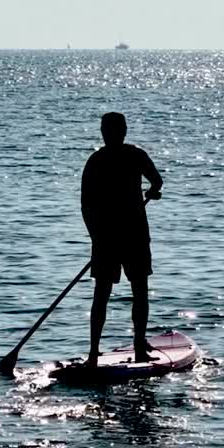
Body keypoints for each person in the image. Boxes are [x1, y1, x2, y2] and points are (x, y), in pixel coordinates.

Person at [81, 112, 163, 367]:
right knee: (138, 291)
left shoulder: (96, 160)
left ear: (105, 132)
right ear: (124, 131)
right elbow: (157, 181)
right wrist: (152, 192)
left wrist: (97, 236)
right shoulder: (135, 154)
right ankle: (138, 347)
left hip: (107, 237)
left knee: (103, 294)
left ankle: (94, 354)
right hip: (132, 234)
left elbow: (86, 205)